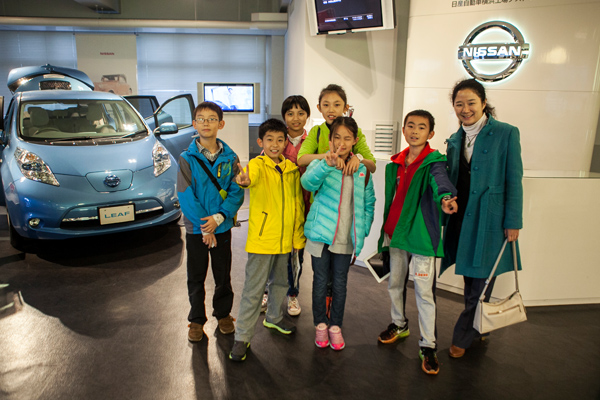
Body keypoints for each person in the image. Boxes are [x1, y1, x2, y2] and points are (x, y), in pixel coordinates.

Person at [442, 78, 523, 359]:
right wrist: (446, 198)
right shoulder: (455, 139)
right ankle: (480, 326)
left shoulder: (506, 133)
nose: (465, 109)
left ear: (484, 103)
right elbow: (454, 179)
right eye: (459, 104)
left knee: (479, 282)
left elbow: (514, 180)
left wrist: (513, 221)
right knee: (472, 279)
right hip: (463, 218)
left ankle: (463, 336)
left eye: (471, 103)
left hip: (490, 218)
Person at [376, 110, 458, 375]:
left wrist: (446, 197)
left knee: (424, 292)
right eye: (410, 126)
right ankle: (399, 324)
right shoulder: (395, 164)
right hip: (396, 234)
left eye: (421, 127)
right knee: (395, 283)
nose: (414, 131)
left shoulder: (434, 162)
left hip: (421, 238)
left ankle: (428, 345)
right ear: (403, 130)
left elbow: (440, 181)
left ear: (430, 133)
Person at [229, 118, 306, 362]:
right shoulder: (257, 164)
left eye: (280, 140)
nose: (275, 144)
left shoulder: (292, 169)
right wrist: (244, 181)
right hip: (262, 240)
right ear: (260, 142)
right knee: (253, 290)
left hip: (285, 242)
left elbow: (297, 206)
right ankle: (242, 336)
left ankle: (274, 317)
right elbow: (250, 178)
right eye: (269, 139)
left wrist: (297, 238)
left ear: (285, 143)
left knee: (281, 283)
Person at [301, 116, 375, 351]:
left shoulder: (361, 169)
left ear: (354, 141)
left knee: (340, 284)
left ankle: (335, 326)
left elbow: (369, 202)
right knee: (320, 281)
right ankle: (320, 324)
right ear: (330, 140)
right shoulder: (322, 163)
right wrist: (326, 165)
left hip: (345, 238)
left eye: (347, 138)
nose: (341, 143)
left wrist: (362, 229)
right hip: (319, 236)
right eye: (337, 138)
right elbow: (307, 183)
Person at [177, 101, 244, 342]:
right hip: (197, 230)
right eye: (201, 119)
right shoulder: (186, 158)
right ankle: (196, 320)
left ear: (221, 124)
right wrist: (205, 226)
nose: (206, 123)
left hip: (222, 226)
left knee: (222, 274)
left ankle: (223, 314)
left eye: (212, 119)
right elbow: (185, 195)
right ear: (194, 124)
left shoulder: (231, 157)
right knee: (196, 275)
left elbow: (236, 191)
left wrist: (219, 218)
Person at [297, 84, 376, 175]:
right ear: (319, 108)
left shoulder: (355, 131)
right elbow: (301, 159)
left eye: (337, 105)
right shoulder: (317, 131)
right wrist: (329, 157)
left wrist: (358, 158)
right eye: (326, 105)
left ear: (345, 108)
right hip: (322, 181)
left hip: (347, 181)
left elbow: (372, 166)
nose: (331, 110)